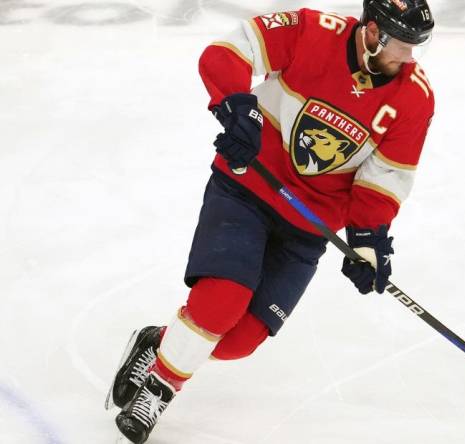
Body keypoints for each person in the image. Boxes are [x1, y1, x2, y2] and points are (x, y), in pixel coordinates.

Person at [107, 1, 435, 442]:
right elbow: (227, 52)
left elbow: (387, 175)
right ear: (372, 32)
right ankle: (160, 389)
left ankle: (160, 343)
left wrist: (366, 239)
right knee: (220, 302)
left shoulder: (414, 97)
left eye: (416, 47)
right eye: (401, 45)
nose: (408, 58)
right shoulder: (312, 30)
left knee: (240, 339)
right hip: (248, 187)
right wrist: (237, 108)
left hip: (307, 225)